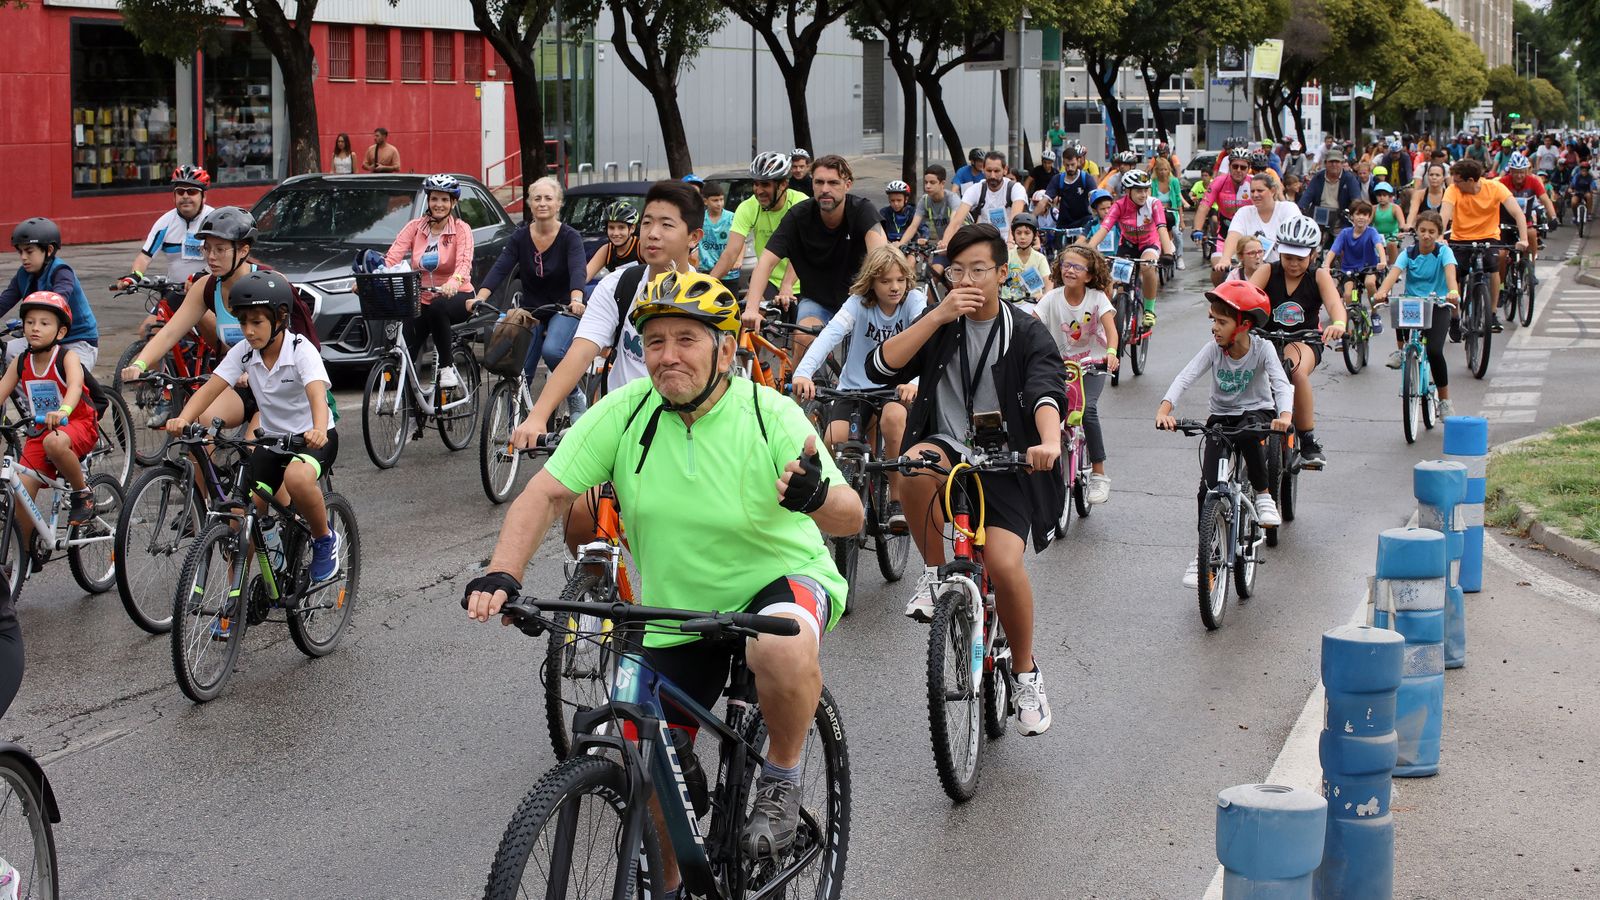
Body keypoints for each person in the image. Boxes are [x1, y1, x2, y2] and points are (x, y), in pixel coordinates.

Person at [464, 270, 862, 888]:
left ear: (724, 352)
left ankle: (781, 778)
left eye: (686, 340)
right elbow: (544, 495)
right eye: (655, 342)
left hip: (779, 582)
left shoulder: (769, 414)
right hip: (679, 609)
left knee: (778, 645)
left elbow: (851, 514)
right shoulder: (625, 413)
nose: (668, 355)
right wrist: (502, 572)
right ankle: (672, 885)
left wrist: (815, 496)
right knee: (638, 751)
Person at [866, 223, 1065, 736]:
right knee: (913, 462)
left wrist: (1048, 442)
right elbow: (881, 367)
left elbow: (1047, 390)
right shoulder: (940, 322)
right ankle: (936, 575)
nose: (968, 280)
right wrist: (936, 315)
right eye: (957, 271)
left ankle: (1026, 673)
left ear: (1002, 273)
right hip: (950, 448)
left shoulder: (1025, 331)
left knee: (1002, 563)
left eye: (979, 270)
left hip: (1010, 462)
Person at [165, 272, 340, 598]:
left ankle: (324, 538)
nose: (248, 330)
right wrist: (183, 419)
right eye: (242, 322)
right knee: (239, 516)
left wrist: (317, 429)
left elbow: (317, 395)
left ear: (281, 318)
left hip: (312, 440)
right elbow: (211, 389)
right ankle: (234, 603)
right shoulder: (244, 352)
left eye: (257, 322)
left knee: (298, 478)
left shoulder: (300, 350)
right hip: (271, 442)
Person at [1156, 280, 1294, 589]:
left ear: (1244, 325)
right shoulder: (1213, 350)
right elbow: (1186, 376)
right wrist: (1165, 409)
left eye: (1222, 322)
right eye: (1213, 321)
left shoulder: (1262, 349)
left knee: (1247, 432)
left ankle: (1263, 495)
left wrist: (1285, 416)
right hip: (1221, 417)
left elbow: (1281, 384)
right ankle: (1204, 554)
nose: (1214, 328)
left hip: (1258, 412)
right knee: (1207, 489)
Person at [791, 246, 926, 528]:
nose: (894, 287)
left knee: (894, 419)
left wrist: (913, 382)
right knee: (833, 439)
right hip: (855, 388)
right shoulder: (858, 303)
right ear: (871, 282)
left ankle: (896, 500)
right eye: (885, 281)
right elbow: (830, 335)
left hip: (895, 389)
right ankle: (832, 501)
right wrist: (803, 373)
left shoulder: (913, 300)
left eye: (900, 279)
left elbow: (926, 339)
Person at [119, 206, 269, 431]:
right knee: (196, 426)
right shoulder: (206, 286)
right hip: (236, 382)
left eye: (220, 249)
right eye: (206, 248)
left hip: (275, 386)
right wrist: (141, 363)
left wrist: (255, 371)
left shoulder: (269, 284)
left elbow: (293, 347)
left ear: (243, 250)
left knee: (254, 450)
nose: (211, 257)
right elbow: (170, 332)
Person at [741, 155, 887, 356]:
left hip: (860, 299)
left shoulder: (862, 211)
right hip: (818, 300)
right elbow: (765, 262)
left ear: (847, 185)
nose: (825, 189)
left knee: (869, 354)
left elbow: (882, 259)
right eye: (819, 182)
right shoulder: (798, 216)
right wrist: (751, 308)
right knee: (803, 339)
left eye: (833, 182)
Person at [1248, 215, 1345, 469]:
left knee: (1294, 370)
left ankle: (1308, 440)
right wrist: (1225, 310)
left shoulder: (1319, 276)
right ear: (1279, 251)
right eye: (1288, 257)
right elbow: (1245, 297)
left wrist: (1338, 323)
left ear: (1313, 254)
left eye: (1300, 258)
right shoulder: (1267, 271)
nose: (1293, 263)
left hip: (1304, 340)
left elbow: (1335, 304)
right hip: (1266, 339)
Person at [475, 176, 589, 391]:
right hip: (531, 310)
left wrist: (576, 299)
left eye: (548, 198)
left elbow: (578, 270)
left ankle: (574, 393)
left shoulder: (570, 237)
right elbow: (501, 268)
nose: (542, 203)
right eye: (537, 198)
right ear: (530, 203)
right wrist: (480, 297)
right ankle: (515, 410)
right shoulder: (519, 237)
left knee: (552, 351)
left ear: (558, 204)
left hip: (563, 307)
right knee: (518, 370)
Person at [0, 292, 99, 531]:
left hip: (78, 423)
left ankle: (82, 492)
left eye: (44, 323)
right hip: (42, 429)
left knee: (54, 443)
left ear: (60, 332)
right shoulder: (21, 361)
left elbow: (75, 386)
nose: (35, 328)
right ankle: (25, 552)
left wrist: (63, 410)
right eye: (30, 322)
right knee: (21, 494)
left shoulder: (67, 357)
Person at [1034, 245, 1118, 504]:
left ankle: (1099, 474)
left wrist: (1111, 353)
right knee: (1047, 408)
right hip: (1059, 366)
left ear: (1089, 275)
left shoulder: (1097, 298)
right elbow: (1032, 324)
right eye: (1066, 265)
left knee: (1088, 410)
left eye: (1077, 267)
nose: (1070, 270)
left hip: (1091, 364)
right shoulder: (1052, 298)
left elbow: (1111, 331)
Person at [383, 173, 477, 389]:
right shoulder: (415, 227)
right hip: (422, 296)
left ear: (453, 203)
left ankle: (446, 368)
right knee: (404, 349)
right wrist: (371, 276)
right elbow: (391, 258)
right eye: (434, 199)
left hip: (458, 294)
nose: (439, 204)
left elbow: (464, 262)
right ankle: (411, 403)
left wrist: (454, 281)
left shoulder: (461, 229)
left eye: (444, 199)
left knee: (437, 308)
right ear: (428, 200)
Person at [1374, 210, 1459, 417]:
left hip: (1438, 304)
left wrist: (1453, 291)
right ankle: (1401, 351)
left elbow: (1450, 274)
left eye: (1431, 231)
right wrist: (1382, 292)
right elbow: (1394, 274)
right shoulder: (1408, 253)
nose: (1426, 235)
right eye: (1422, 230)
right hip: (1413, 304)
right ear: (1417, 232)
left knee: (1435, 351)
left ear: (1438, 233)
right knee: (1399, 304)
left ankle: (1444, 401)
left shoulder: (1444, 252)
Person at [1440, 158, 1527, 334]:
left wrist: (1524, 239)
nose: (1454, 184)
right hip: (1460, 238)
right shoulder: (1453, 190)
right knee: (1454, 273)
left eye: (1458, 181)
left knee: (1493, 269)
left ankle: (1492, 313)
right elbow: (1444, 215)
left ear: (1471, 181)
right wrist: (1441, 236)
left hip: (1489, 237)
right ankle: (1455, 316)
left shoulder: (1495, 187)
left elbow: (1518, 213)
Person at [1080, 169, 1173, 326]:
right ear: (1128, 191)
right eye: (1138, 191)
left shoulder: (1153, 204)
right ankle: (1116, 312)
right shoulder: (1119, 206)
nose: (1143, 194)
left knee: (1147, 267)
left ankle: (1149, 310)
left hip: (1149, 244)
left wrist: (1168, 253)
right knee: (1117, 284)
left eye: (1146, 190)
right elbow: (1104, 229)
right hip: (1127, 246)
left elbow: (1162, 228)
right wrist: (1088, 250)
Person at [4, 218, 101, 369]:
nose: (23, 257)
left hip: (77, 340)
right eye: (20, 252)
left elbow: (58, 302)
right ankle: (26, 386)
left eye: (29, 251)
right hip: (43, 338)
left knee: (69, 375)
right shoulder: (23, 274)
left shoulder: (61, 272)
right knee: (6, 353)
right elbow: (4, 301)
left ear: (49, 250)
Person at [710, 152, 808, 301]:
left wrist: (787, 285)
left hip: (803, 279)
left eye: (765, 184)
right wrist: (707, 284)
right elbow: (730, 253)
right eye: (756, 184)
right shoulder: (748, 207)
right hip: (769, 279)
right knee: (749, 310)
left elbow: (801, 250)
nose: (759, 190)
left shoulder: (800, 203)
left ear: (783, 184)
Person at [119, 166, 215, 293]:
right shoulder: (165, 223)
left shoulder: (214, 220)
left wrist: (202, 275)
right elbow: (145, 257)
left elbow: (225, 259)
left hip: (208, 291)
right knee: (159, 307)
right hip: (174, 291)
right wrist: (135, 276)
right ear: (174, 196)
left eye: (192, 192)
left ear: (204, 197)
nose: (185, 196)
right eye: (180, 192)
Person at [1194, 148, 1253, 286]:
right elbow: (1203, 207)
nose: (1239, 170)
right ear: (1229, 166)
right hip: (1224, 235)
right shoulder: (1219, 181)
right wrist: (1197, 229)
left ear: (1248, 168)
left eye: (1243, 167)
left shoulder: (1254, 183)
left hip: (1249, 236)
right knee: (1218, 268)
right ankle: (1219, 296)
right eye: (1235, 166)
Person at [1218, 174, 1301, 271]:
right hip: (1251, 271)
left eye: (1260, 191)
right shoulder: (1243, 212)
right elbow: (1233, 235)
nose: (1255, 195)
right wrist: (1225, 258)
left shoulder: (1288, 208)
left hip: (1281, 270)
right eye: (1252, 191)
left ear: (1273, 191)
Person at [942, 151, 1027, 247]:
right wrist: (945, 243)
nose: (992, 176)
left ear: (1005, 170)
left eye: (997, 171)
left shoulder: (1016, 188)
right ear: (983, 169)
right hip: (984, 243)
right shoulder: (975, 189)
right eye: (989, 171)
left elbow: (1015, 219)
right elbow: (956, 221)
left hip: (1010, 241)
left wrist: (1010, 242)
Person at [1498, 153, 1555, 269]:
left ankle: (1531, 267)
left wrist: (1553, 217)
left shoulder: (1533, 181)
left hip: (1525, 221)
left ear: (1526, 171)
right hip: (1505, 222)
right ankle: (1501, 279)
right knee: (1501, 255)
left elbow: (1545, 200)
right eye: (1516, 172)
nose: (1519, 176)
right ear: (1510, 171)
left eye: (1522, 172)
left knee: (1532, 233)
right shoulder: (1502, 182)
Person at [1323, 199, 1386, 302]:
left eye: (1365, 215)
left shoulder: (1372, 232)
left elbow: (1379, 246)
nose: (1361, 217)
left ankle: (1375, 309)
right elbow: (1333, 250)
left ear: (1369, 217)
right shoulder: (1345, 233)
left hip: (1369, 268)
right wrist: (1326, 266)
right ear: (1351, 216)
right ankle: (1353, 309)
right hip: (1349, 270)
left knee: (1369, 283)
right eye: (1358, 214)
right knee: (1348, 295)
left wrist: (1383, 261)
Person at [1296, 148, 1363, 242]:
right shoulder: (1318, 177)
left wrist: (1354, 213)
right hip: (1319, 214)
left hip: (1340, 217)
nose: (1334, 164)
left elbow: (1356, 200)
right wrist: (1299, 209)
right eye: (1331, 162)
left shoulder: (1349, 178)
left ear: (1342, 163)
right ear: (1325, 163)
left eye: (1337, 162)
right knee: (1309, 239)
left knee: (1343, 241)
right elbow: (1307, 196)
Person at [903, 165, 960, 254]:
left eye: (932, 182)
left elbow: (954, 224)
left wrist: (944, 241)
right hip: (944, 246)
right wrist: (900, 244)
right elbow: (913, 226)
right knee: (932, 263)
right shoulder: (925, 200)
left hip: (963, 243)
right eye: (926, 182)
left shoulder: (953, 198)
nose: (927, 186)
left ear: (942, 183)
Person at [1002, 213, 1051, 314]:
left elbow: (1049, 282)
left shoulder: (1040, 258)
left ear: (1035, 235)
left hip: (1032, 304)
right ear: (1013, 235)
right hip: (1008, 304)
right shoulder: (1007, 256)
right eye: (1018, 233)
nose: (1022, 237)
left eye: (1027, 233)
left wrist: (1045, 296)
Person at [1045, 146, 1100, 231]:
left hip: (1083, 221)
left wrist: (1100, 217)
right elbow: (1044, 200)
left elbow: (1095, 197)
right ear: (1063, 163)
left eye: (1072, 164)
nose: (1070, 168)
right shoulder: (1058, 178)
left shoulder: (1086, 177)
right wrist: (1032, 217)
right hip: (1064, 223)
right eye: (1067, 165)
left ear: (1078, 161)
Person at [584, 200, 642, 281]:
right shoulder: (607, 250)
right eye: (611, 227)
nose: (615, 233)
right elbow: (584, 276)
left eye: (621, 227)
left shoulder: (641, 248)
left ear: (632, 228)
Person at [698, 180, 740, 289]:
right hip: (705, 272)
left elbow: (741, 242)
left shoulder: (732, 218)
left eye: (721, 199)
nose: (719, 203)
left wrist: (738, 261)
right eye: (715, 200)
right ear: (705, 201)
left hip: (729, 274)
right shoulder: (700, 219)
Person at [1151, 157, 1188, 268]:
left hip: (1172, 212)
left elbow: (1178, 201)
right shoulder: (1153, 182)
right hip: (1157, 213)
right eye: (1160, 170)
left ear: (1169, 170)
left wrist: (1182, 221)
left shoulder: (1174, 181)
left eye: (1165, 169)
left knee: (1177, 234)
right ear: (1156, 170)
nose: (1163, 172)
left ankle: (1180, 257)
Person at [1370, 182, 1405, 267]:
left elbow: (1402, 224)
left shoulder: (1395, 208)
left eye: (1384, 195)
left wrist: (1401, 232)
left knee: (1391, 244)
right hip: (1377, 236)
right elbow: (1367, 223)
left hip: (1392, 236)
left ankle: (1393, 266)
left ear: (1390, 196)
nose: (1381, 197)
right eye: (1379, 195)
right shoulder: (1374, 208)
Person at [880, 180, 923, 245]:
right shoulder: (884, 212)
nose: (896, 203)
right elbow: (877, 231)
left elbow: (923, 227)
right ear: (889, 199)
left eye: (899, 200)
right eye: (892, 200)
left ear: (906, 199)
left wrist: (924, 237)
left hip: (910, 246)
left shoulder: (912, 212)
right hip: (889, 246)